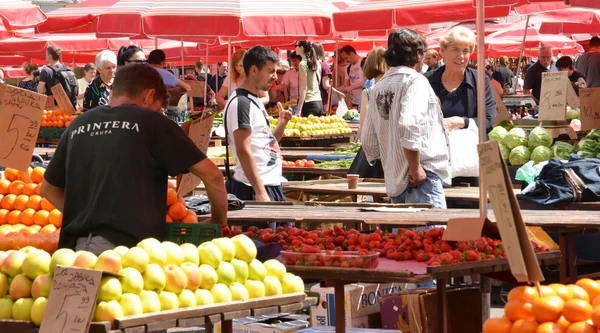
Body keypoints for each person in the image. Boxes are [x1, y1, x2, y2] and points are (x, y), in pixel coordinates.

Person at [40, 64, 228, 254]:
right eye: (158, 109)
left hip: (72, 253)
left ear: (114, 91)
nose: (158, 114)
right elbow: (213, 176)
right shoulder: (153, 122)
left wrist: (84, 217)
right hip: (128, 252)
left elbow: (48, 188)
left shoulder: (78, 124)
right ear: (148, 96)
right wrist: (218, 222)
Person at [362, 29, 450, 208]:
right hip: (421, 176)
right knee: (430, 235)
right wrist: (415, 167)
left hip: (396, 180)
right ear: (417, 55)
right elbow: (409, 125)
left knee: (404, 236)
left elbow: (368, 140)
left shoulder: (379, 87)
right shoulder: (415, 81)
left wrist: (393, 160)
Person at [424, 26, 496, 187]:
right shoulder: (427, 81)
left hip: (470, 162)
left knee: (470, 209)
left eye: (466, 51)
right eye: (455, 50)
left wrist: (461, 121)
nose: (461, 56)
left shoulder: (480, 80)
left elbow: (489, 120)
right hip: (436, 161)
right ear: (442, 51)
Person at [224, 45, 292, 202]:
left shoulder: (254, 100)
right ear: (254, 70)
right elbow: (243, 150)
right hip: (254, 188)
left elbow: (267, 144)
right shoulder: (242, 103)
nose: (275, 76)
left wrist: (282, 124)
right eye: (271, 71)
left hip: (268, 184)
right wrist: (260, 192)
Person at [295, 41, 322, 117]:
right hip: (318, 101)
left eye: (296, 46)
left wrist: (299, 109)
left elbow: (304, 88)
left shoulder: (303, 64)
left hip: (308, 102)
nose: (295, 48)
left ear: (301, 48)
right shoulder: (317, 63)